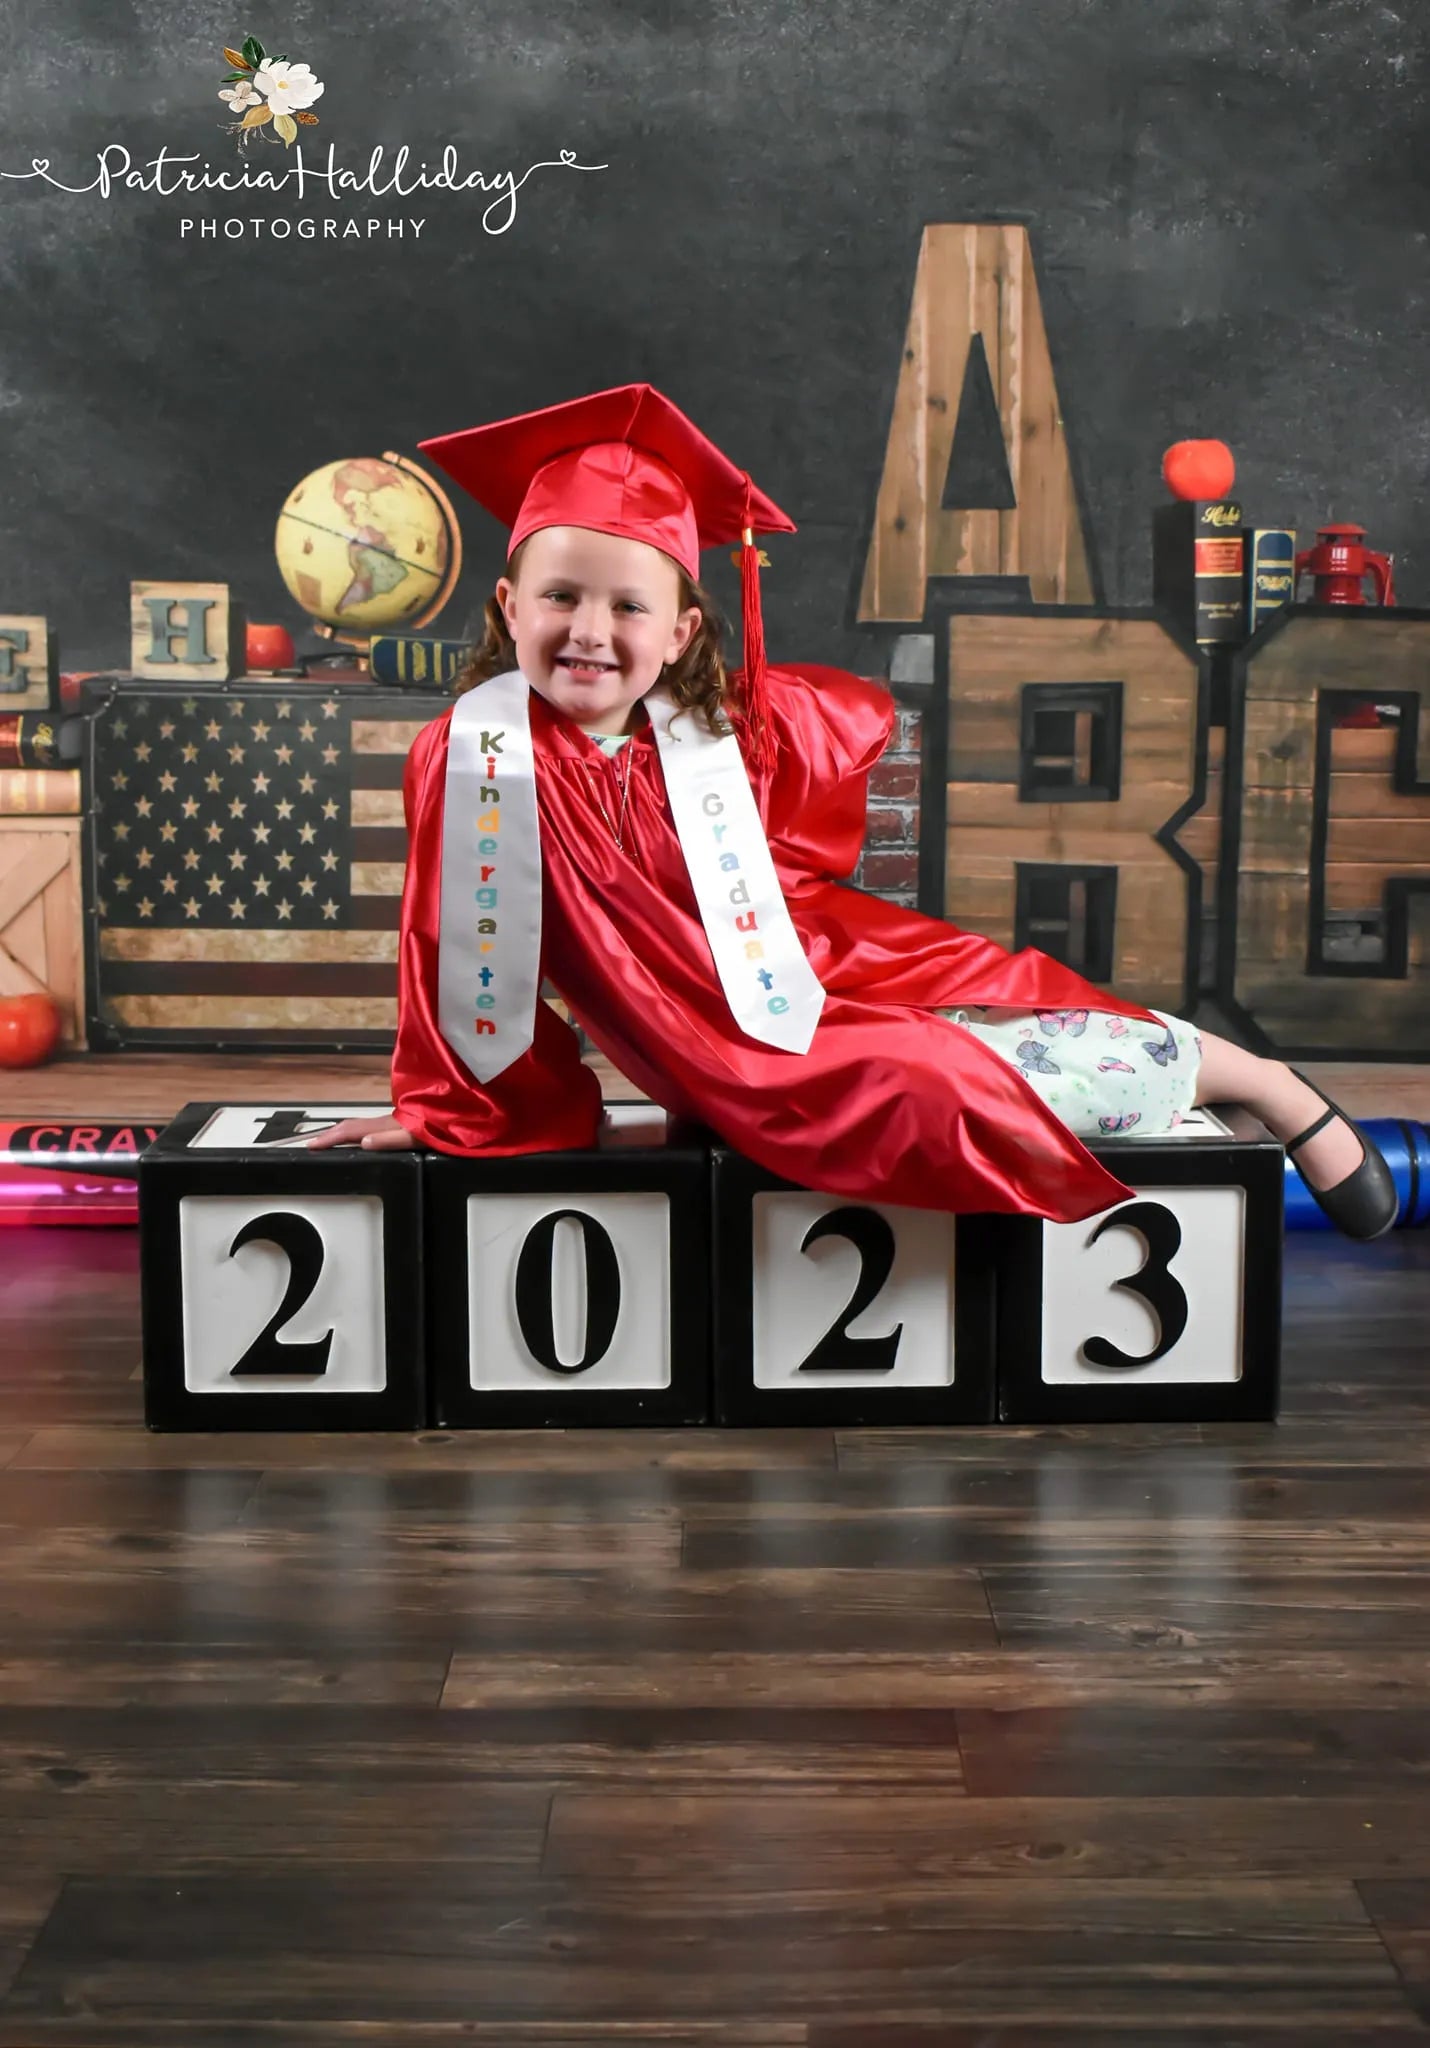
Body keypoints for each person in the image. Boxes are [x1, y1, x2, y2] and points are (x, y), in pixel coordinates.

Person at [309, 384, 1396, 1238]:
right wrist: (462, 1110)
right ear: (509, 606)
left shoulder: (713, 734)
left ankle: (1257, 1079)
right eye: (560, 595)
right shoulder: (477, 755)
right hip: (738, 1056)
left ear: (679, 634)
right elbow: (460, 958)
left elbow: (796, 845)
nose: (589, 630)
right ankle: (1209, 1080)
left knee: (1006, 1022)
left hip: (826, 979)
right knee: (934, 1089)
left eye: (628, 605)